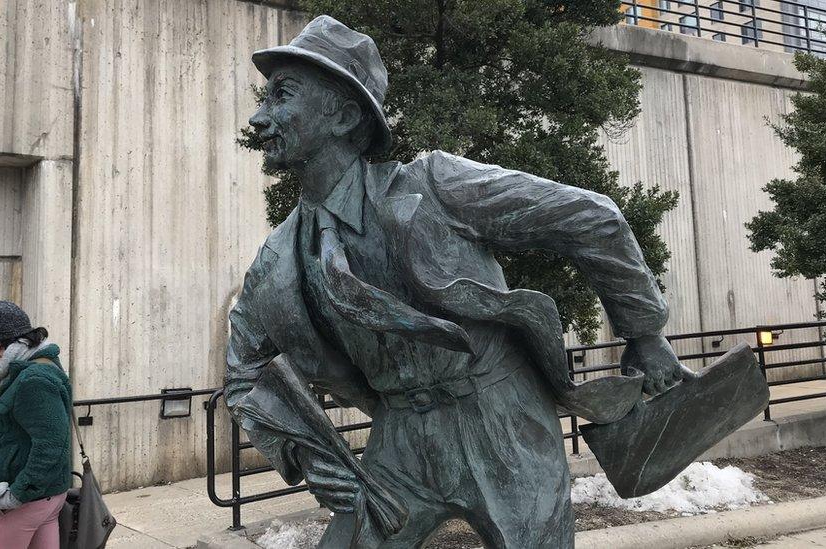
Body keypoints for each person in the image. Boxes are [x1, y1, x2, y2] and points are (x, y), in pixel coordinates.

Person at [225, 16, 684, 549]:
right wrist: (311, 455)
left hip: (501, 419)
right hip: (399, 441)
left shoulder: (436, 187)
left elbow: (592, 219)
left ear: (345, 115)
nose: (259, 118)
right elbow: (244, 369)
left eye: (282, 96)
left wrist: (645, 336)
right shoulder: (281, 259)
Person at [0, 300, 73, 549]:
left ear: (9, 341)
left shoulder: (32, 379)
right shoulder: (35, 368)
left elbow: (51, 445)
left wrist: (16, 495)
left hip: (25, 500)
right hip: (47, 496)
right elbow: (4, 433)